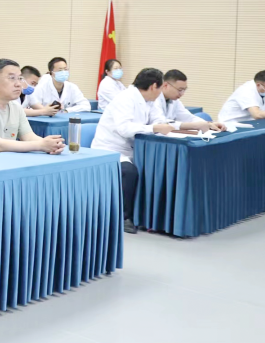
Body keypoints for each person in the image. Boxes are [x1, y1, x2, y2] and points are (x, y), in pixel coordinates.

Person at [91, 68, 178, 234]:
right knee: (129, 172)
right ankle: (124, 217)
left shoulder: (150, 100)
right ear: (154, 86)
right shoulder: (125, 98)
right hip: (109, 149)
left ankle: (150, 217)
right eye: (160, 88)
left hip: (133, 149)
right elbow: (125, 129)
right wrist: (154, 128)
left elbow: (159, 120)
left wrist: (161, 125)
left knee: (156, 168)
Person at [155, 70, 224, 131]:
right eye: (180, 90)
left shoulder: (175, 101)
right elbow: (160, 123)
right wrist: (194, 126)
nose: (182, 94)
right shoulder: (154, 99)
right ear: (166, 85)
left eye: (184, 90)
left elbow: (187, 117)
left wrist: (209, 124)